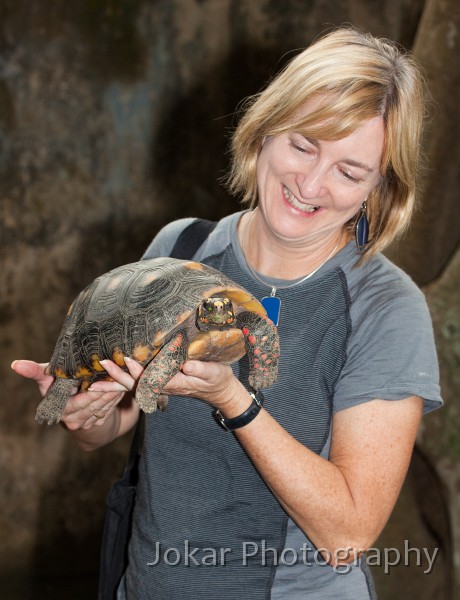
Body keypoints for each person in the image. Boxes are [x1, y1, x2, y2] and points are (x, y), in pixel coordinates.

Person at [12, 27, 442, 599]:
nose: (311, 184)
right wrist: (90, 415)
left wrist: (234, 399)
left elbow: (347, 535)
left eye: (349, 171)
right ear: (266, 129)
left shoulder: (385, 309)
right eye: (304, 144)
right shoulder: (182, 249)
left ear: (379, 190)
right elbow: (125, 417)